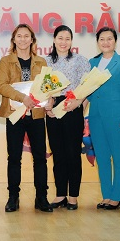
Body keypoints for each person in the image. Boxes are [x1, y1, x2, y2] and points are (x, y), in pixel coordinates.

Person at [0, 24, 53, 213]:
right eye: (19, 36)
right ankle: (13, 197)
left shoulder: (41, 62)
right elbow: (1, 85)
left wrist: (50, 99)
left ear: (32, 40)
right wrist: (23, 98)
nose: (22, 39)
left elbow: (47, 87)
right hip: (15, 115)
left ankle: (41, 197)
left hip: (36, 115)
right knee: (14, 158)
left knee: (40, 158)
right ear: (13, 39)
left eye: (26, 36)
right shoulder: (6, 61)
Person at [87, 27, 120, 210]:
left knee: (118, 155)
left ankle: (117, 196)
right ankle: (106, 195)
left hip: (117, 115)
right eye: (102, 39)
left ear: (115, 41)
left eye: (109, 39)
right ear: (97, 42)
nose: (105, 42)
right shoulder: (92, 62)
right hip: (96, 116)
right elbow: (87, 92)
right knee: (102, 156)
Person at [44, 25, 91, 210]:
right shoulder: (45, 61)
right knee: (58, 153)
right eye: (60, 38)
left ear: (71, 41)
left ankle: (73, 196)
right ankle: (60, 194)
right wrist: (47, 105)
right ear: (54, 40)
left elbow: (87, 87)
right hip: (53, 109)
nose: (63, 42)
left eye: (67, 39)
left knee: (73, 153)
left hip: (73, 107)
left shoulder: (80, 60)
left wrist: (79, 104)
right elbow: (41, 88)